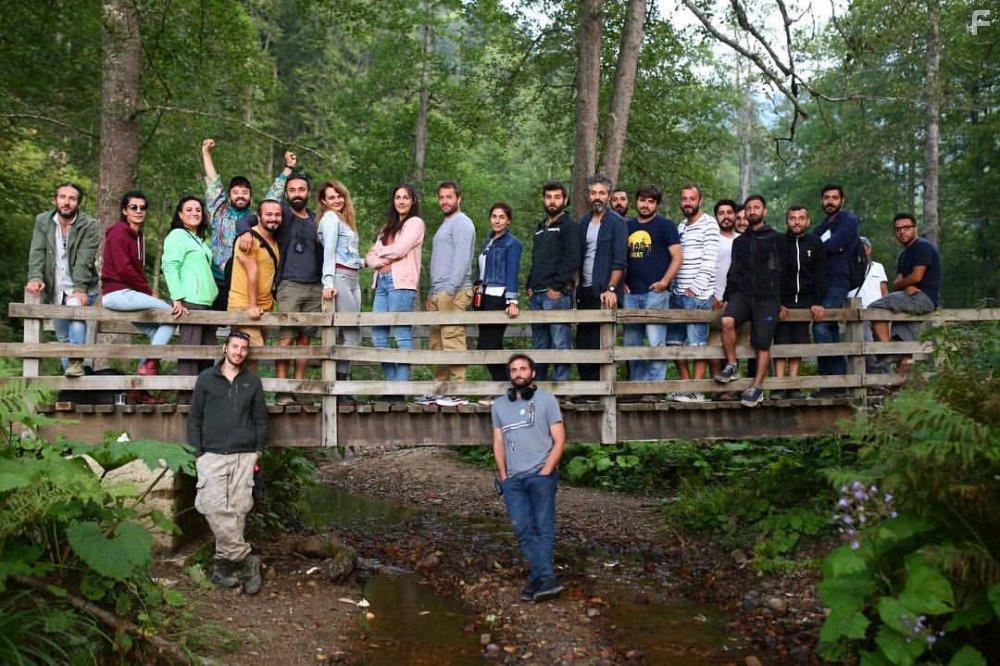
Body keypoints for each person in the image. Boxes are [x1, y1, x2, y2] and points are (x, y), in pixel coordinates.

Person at [236, 157, 320, 405]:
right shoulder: (282, 214)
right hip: (289, 284)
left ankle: (299, 387)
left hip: (315, 286)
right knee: (286, 336)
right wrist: (243, 231)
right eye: (292, 190)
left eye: (301, 189)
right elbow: (251, 218)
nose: (297, 193)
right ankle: (283, 390)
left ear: (307, 192)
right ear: (287, 192)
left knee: (306, 339)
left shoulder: (316, 218)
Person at [188, 330, 266, 595]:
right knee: (210, 505)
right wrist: (199, 453)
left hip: (244, 454)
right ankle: (246, 558)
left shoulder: (252, 382)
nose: (238, 352)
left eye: (243, 348)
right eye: (234, 347)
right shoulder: (206, 380)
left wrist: (257, 450)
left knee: (238, 508)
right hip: (211, 454)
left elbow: (260, 419)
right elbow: (194, 418)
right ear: (225, 348)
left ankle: (223, 568)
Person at [492, 353, 566, 602]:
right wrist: (503, 477)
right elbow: (498, 443)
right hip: (513, 480)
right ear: (510, 375)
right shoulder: (499, 406)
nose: (518, 373)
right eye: (514, 370)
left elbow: (560, 439)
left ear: (533, 373)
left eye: (523, 368)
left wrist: (546, 472)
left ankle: (540, 579)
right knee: (523, 528)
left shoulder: (547, 401)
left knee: (542, 528)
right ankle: (545, 579)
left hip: (540, 475)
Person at [201, 138, 289, 305]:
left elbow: (273, 197)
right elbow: (213, 182)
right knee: (211, 324)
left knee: (239, 325)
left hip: (243, 281)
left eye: (244, 192)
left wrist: (287, 169)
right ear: (229, 194)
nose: (240, 195)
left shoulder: (257, 219)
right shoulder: (219, 211)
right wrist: (206, 153)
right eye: (235, 192)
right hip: (216, 278)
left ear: (250, 196)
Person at [714, 195, 783, 407]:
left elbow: (784, 271)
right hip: (743, 295)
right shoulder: (739, 241)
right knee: (726, 321)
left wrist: (783, 300)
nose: (753, 211)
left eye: (757, 207)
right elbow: (734, 271)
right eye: (749, 208)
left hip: (767, 298)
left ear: (764, 211)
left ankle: (757, 387)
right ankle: (732, 364)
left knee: (762, 342)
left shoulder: (776, 238)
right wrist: (727, 297)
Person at [25, 183, 101, 377]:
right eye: (62, 197)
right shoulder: (43, 221)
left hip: (82, 285)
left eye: (72, 198)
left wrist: (79, 288)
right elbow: (37, 251)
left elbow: (85, 259)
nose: (66, 202)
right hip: (56, 287)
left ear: (78, 203)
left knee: (75, 315)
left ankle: (76, 363)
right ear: (55, 200)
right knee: (63, 337)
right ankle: (72, 381)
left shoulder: (89, 225)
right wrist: (35, 277)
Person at [101, 191, 178, 378]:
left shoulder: (138, 236)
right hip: (118, 293)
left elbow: (137, 269)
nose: (138, 211)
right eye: (133, 207)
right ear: (124, 210)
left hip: (129, 294)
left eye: (143, 207)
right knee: (171, 314)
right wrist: (148, 292)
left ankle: (142, 384)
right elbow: (124, 269)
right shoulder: (119, 232)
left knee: (156, 332)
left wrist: (145, 290)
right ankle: (148, 364)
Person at [364, 184, 425, 392]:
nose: (401, 201)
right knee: (378, 335)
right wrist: (376, 257)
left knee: (401, 334)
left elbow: (400, 250)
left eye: (406, 197)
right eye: (397, 197)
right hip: (381, 282)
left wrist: (379, 255)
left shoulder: (415, 223)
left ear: (413, 201)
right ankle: (393, 386)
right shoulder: (387, 227)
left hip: (401, 283)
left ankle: (400, 389)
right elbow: (369, 256)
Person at [623, 184, 682, 395]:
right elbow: (620, 258)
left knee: (656, 340)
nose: (645, 204)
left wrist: (664, 282)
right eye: (642, 200)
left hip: (655, 292)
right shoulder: (628, 226)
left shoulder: (665, 225)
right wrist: (621, 282)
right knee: (631, 342)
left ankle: (654, 388)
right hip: (631, 294)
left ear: (656, 204)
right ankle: (636, 388)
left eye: (650, 201)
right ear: (636, 201)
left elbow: (677, 257)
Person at [869, 214, 942, 377]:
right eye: (898, 229)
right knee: (905, 347)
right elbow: (896, 283)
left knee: (874, 307)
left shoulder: (922, 247)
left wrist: (907, 283)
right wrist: (905, 285)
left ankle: (885, 349)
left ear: (915, 228)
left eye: (906, 228)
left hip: (923, 299)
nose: (902, 232)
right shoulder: (904, 255)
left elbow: (917, 276)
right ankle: (901, 389)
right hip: (909, 299)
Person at [423, 181, 476, 405]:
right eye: (442, 197)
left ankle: (458, 390)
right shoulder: (445, 224)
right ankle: (441, 388)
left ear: (459, 198)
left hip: (455, 290)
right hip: (439, 292)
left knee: (453, 337)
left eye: (449, 197)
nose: (445, 201)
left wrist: (451, 289)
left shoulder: (462, 223)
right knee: (437, 342)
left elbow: (463, 258)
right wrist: (432, 293)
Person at [666, 184, 719, 402]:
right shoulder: (681, 226)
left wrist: (693, 289)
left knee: (697, 343)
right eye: (684, 199)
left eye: (692, 199)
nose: (688, 202)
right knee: (675, 343)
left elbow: (709, 261)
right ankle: (686, 386)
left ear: (700, 200)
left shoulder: (710, 225)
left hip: (697, 295)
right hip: (677, 294)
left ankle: (697, 390)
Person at [526, 181, 581, 382]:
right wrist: (529, 285)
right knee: (539, 343)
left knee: (560, 340)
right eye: (549, 197)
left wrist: (557, 286)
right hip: (537, 295)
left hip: (556, 295)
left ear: (565, 200)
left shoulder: (569, 226)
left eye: (557, 197)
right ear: (543, 199)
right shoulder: (541, 228)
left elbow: (573, 258)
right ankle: (538, 385)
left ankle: (561, 387)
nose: (552, 201)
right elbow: (537, 259)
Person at [575, 174, 628, 386]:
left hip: (604, 291)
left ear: (608, 196)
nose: (597, 197)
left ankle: (601, 389)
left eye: (602, 193)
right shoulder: (584, 222)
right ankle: (587, 390)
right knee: (583, 341)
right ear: (589, 196)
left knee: (601, 343)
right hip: (585, 290)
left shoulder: (616, 222)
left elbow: (620, 260)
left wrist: (612, 288)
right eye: (593, 193)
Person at [162, 196, 219, 381]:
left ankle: (204, 398)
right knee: (190, 353)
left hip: (207, 303)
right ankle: (186, 400)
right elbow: (170, 266)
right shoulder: (177, 235)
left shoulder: (199, 239)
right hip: (190, 303)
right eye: (189, 209)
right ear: (180, 214)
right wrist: (177, 298)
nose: (194, 213)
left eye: (198, 210)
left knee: (207, 355)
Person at [773, 206, 827, 399]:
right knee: (781, 341)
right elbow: (774, 273)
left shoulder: (815, 243)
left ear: (808, 221)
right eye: (792, 218)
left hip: (805, 301)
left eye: (801, 218)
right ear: (786, 221)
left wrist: (817, 301)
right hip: (783, 301)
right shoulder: (779, 242)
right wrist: (776, 301)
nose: (797, 222)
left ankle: (793, 384)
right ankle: (779, 385)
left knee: (799, 340)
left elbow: (820, 274)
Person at [811, 184, 860, 397]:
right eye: (827, 198)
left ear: (842, 200)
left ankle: (835, 384)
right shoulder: (822, 225)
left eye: (834, 198)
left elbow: (832, 245)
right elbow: (814, 246)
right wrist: (824, 248)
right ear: (822, 201)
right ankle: (834, 384)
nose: (830, 201)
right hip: (821, 282)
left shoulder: (848, 220)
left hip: (839, 280)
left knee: (821, 326)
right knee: (829, 329)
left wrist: (822, 249)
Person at [316, 180, 362, 394]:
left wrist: (364, 261)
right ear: (324, 201)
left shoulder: (345, 220)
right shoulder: (330, 218)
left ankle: (343, 385)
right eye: (331, 197)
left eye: (339, 196)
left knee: (349, 333)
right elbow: (330, 251)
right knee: (351, 333)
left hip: (353, 277)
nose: (337, 200)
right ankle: (342, 388)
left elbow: (348, 252)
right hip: (340, 277)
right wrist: (328, 281)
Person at [227, 200, 283, 355]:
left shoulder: (276, 240)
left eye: (277, 215)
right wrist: (252, 306)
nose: (273, 218)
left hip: (265, 307)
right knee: (252, 349)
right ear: (258, 217)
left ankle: (244, 380)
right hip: (244, 305)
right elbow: (252, 270)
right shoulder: (247, 238)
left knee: (251, 356)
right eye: (268, 214)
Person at [475, 203, 523, 382]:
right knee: (491, 346)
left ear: (508, 220)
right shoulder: (487, 241)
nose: (497, 220)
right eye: (494, 216)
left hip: (499, 296)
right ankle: (502, 389)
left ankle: (505, 385)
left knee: (488, 346)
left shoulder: (512, 244)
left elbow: (512, 272)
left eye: (501, 217)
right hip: (483, 297)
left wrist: (512, 300)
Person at [708, 199, 740, 399]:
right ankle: (716, 389)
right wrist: (711, 295)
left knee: (736, 345)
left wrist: (731, 297)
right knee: (712, 345)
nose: (726, 216)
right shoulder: (711, 240)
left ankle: (733, 389)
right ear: (716, 216)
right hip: (711, 297)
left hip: (734, 300)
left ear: (735, 215)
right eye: (721, 213)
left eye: (729, 212)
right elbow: (705, 268)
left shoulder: (742, 240)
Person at [850, 237, 889, 371]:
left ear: (869, 249)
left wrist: (887, 311)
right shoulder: (849, 266)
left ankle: (886, 378)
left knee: (883, 346)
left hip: (879, 311)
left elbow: (884, 289)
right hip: (860, 312)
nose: (861, 249)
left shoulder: (878, 266)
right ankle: (873, 380)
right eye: (858, 246)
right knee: (867, 345)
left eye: (864, 246)